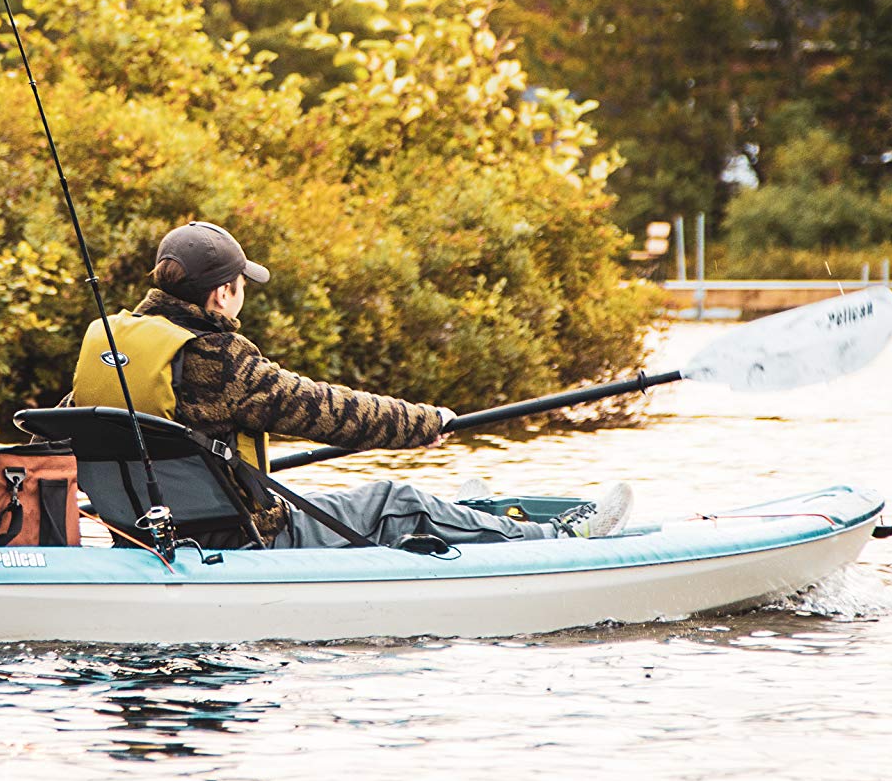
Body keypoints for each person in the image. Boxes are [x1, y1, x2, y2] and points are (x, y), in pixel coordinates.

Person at [69, 220, 633, 551]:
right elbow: (326, 410)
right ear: (221, 294)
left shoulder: (108, 344)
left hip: (145, 538)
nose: (243, 294)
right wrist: (423, 423)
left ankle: (491, 519)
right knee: (397, 499)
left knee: (381, 499)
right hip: (242, 540)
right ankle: (557, 541)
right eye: (241, 284)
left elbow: (67, 438)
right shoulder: (218, 357)